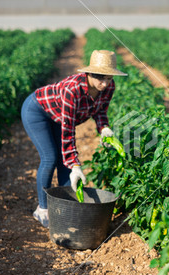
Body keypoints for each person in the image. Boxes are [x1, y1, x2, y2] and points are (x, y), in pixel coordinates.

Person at [21, 50, 127, 228]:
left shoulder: (109, 88)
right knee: (50, 158)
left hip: (57, 116)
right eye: (100, 78)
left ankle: (66, 204)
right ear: (89, 73)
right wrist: (76, 165)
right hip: (37, 110)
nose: (104, 83)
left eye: (109, 78)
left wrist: (104, 128)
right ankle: (42, 209)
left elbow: (100, 111)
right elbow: (68, 130)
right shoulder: (73, 90)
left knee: (65, 163)